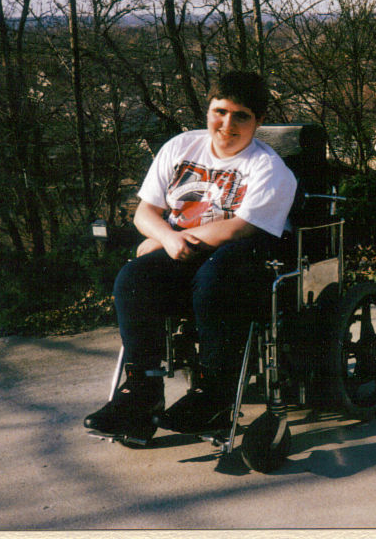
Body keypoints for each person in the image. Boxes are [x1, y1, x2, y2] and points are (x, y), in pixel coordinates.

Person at [84, 71, 297, 442]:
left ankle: (214, 395)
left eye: (241, 115)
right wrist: (166, 238)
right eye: (220, 111)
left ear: (258, 121)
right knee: (133, 278)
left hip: (244, 258)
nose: (227, 124)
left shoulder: (268, 168)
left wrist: (171, 239)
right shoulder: (181, 147)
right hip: (183, 252)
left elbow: (237, 229)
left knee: (215, 278)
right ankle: (142, 393)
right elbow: (144, 213)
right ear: (209, 109)